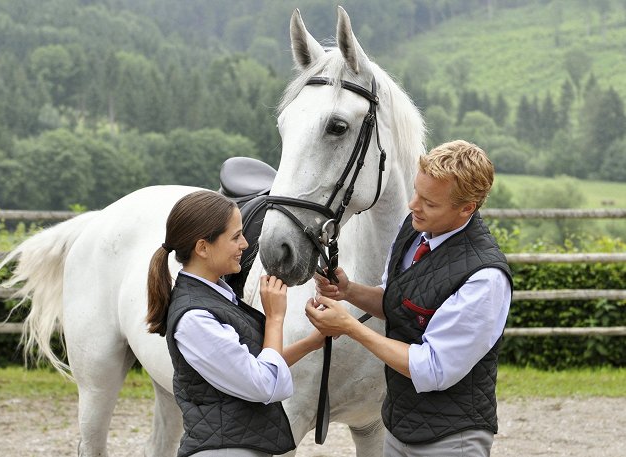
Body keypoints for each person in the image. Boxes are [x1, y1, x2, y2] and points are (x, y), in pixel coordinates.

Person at [306, 140, 513, 457]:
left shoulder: (484, 277)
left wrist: (349, 326)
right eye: (416, 192)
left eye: (429, 202)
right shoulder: (415, 229)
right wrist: (349, 290)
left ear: (466, 208)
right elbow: (396, 306)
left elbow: (432, 369)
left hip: (451, 439)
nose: (413, 205)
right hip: (399, 425)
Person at [146, 190, 324, 457]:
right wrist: (275, 318)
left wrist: (313, 342)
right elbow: (263, 383)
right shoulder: (195, 318)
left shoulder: (216, 297)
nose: (245, 244)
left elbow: (250, 366)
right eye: (236, 236)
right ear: (203, 248)